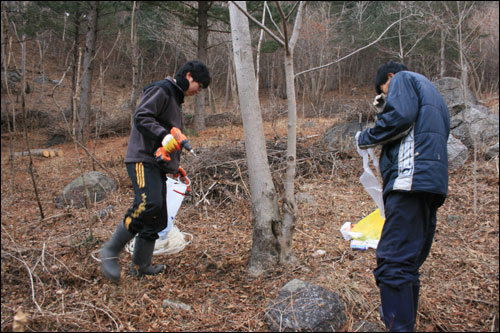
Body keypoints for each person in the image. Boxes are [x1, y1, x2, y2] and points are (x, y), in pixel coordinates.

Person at [356, 61, 450, 331]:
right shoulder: (434, 96)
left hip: (410, 181)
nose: (384, 97)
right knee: (407, 263)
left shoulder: (403, 79)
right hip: (430, 185)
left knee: (393, 261)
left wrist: (366, 137)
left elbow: (399, 117)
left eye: (382, 91)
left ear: (389, 77)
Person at [100, 60, 211, 283]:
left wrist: (174, 166)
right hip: (142, 160)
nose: (198, 91)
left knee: (157, 216)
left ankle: (141, 265)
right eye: (199, 85)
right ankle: (110, 251)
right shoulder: (161, 89)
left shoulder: (175, 99)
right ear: (189, 76)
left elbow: (169, 138)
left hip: (156, 164)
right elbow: (142, 116)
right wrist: (164, 135)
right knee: (148, 203)